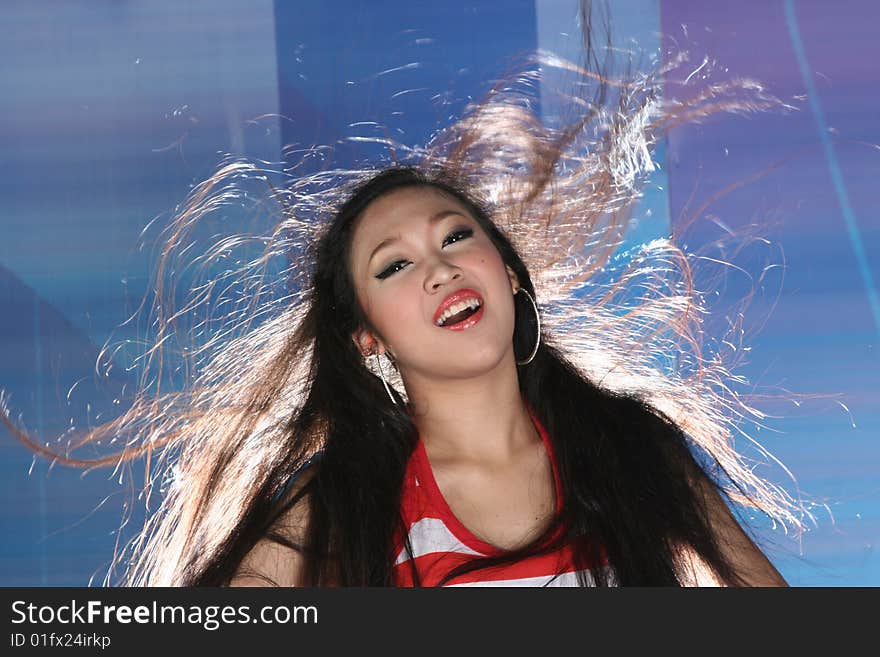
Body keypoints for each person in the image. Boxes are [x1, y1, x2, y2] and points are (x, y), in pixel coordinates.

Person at [2, 1, 811, 587]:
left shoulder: (635, 449)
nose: (440, 267)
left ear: (507, 272)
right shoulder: (342, 507)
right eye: (394, 266)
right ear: (370, 341)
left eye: (458, 236)